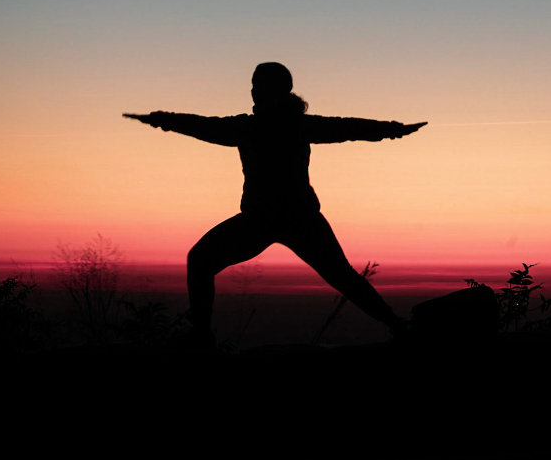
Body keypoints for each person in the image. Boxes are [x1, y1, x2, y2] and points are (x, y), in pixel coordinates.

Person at [124, 62, 426, 349]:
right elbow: (347, 128)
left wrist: (392, 129)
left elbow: (346, 128)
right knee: (340, 277)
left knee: (339, 277)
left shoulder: (259, 127)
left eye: (259, 85)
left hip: (277, 218)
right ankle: (399, 327)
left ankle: (201, 337)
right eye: (253, 84)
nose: (254, 91)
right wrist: (392, 129)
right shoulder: (281, 126)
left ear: (276, 90)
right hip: (282, 218)